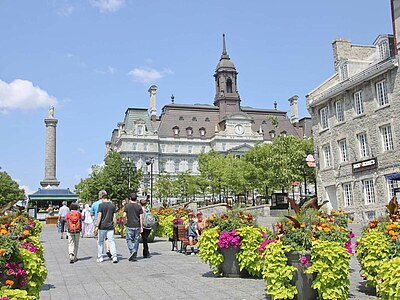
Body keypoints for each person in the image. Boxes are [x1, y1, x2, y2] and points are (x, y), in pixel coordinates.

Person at [95, 191, 118, 263]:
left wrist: (96, 226)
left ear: (102, 198)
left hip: (102, 226)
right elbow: (114, 217)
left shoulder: (101, 205)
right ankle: (114, 257)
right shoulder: (112, 205)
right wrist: (114, 225)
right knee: (111, 241)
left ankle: (100, 256)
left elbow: (99, 216)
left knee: (100, 241)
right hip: (110, 226)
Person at [92, 191, 112, 258]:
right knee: (107, 238)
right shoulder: (110, 203)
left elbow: (92, 214)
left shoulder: (94, 204)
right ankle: (108, 249)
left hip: (97, 222)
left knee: (98, 239)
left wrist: (94, 221)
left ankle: (100, 252)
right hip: (107, 222)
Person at [123, 193, 143, 261]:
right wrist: (141, 227)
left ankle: (132, 250)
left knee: (129, 239)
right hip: (137, 225)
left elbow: (124, 215)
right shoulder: (139, 206)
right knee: (136, 239)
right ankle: (135, 253)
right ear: (136, 198)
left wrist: (124, 222)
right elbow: (141, 217)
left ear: (130, 198)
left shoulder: (127, 206)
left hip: (129, 225)